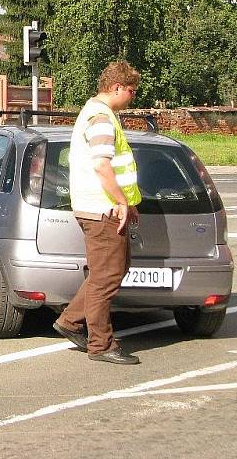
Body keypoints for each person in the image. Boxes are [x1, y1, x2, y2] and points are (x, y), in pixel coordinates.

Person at [52, 61, 143, 365]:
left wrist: (127, 203)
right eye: (131, 91)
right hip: (101, 208)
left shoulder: (94, 112)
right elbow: (102, 166)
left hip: (101, 206)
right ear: (117, 87)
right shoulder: (102, 118)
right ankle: (101, 344)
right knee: (106, 277)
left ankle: (71, 321)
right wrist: (119, 202)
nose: (132, 97)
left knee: (112, 270)